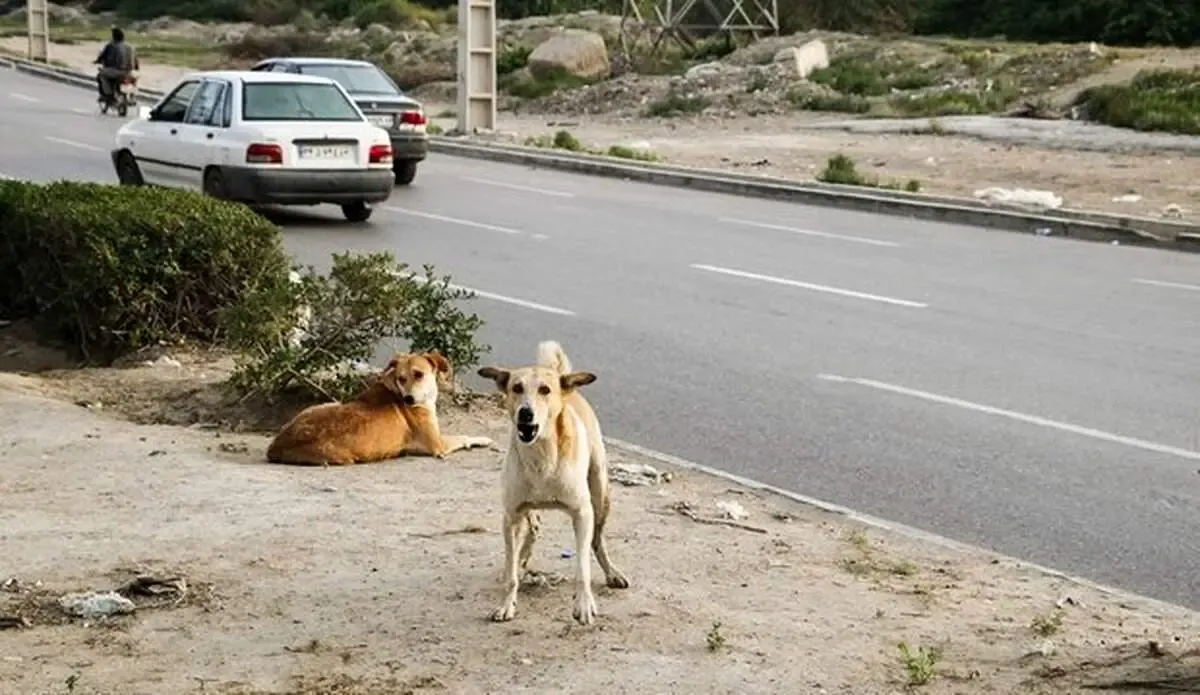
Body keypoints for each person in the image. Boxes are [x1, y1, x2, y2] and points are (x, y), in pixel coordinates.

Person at [94, 27, 139, 104]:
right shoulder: (131, 47)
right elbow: (136, 62)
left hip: (116, 71)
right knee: (134, 79)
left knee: (101, 75)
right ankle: (133, 95)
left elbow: (102, 57)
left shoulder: (111, 45)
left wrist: (97, 61)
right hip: (129, 72)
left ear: (114, 36)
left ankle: (108, 94)